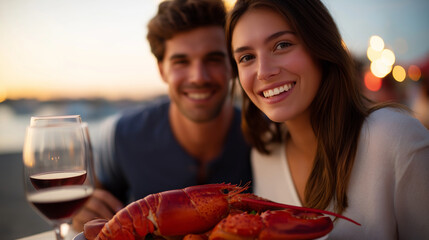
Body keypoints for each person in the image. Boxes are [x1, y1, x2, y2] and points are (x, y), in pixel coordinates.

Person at [226, 0, 429, 239]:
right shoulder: (265, 154)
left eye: (282, 45)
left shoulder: (396, 139)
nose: (263, 71)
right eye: (247, 57)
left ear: (321, 47)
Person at [72, 0, 252, 232]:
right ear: (161, 69)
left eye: (213, 59)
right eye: (181, 62)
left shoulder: (262, 135)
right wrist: (83, 211)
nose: (198, 76)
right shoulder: (119, 136)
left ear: (232, 65)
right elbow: (94, 209)